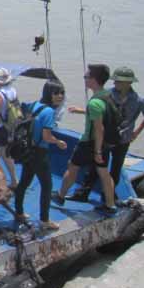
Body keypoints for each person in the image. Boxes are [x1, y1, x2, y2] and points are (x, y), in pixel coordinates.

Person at [71, 66, 144, 201]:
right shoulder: (107, 94)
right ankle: (82, 193)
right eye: (115, 81)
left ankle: (107, 196)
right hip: (106, 138)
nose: (115, 83)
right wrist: (80, 111)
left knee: (115, 170)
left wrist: (136, 132)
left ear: (129, 83)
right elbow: (97, 112)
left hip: (123, 140)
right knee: (95, 167)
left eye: (118, 81)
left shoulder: (140, 100)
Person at [52, 64, 117, 214]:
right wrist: (82, 110)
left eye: (86, 77)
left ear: (94, 80)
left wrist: (97, 151)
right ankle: (110, 204)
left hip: (90, 143)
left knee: (72, 167)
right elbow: (100, 116)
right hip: (105, 143)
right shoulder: (107, 95)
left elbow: (99, 128)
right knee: (104, 173)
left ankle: (60, 196)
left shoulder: (94, 102)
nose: (84, 79)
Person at [14, 81, 68, 231]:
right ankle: (44, 220)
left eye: (62, 93)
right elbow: (46, 136)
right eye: (56, 93)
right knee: (47, 186)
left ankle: (19, 212)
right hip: (39, 152)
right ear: (48, 93)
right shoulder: (49, 112)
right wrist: (58, 142)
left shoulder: (34, 105)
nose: (60, 96)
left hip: (27, 150)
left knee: (24, 182)